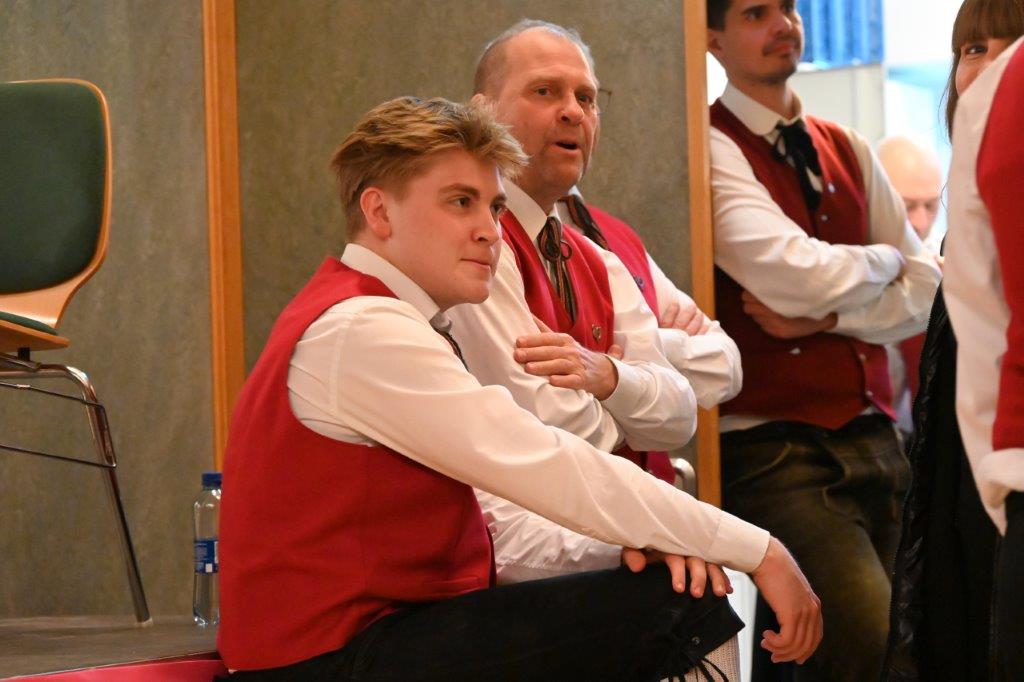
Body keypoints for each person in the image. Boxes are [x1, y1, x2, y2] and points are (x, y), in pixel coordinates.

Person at [217, 96, 822, 680]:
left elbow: (498, 524)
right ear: (379, 212)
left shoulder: (392, 320)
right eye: (461, 202)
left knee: (671, 582)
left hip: (375, 642)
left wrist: (631, 546)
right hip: (324, 659)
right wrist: (760, 549)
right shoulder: (363, 328)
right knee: (679, 611)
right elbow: (548, 463)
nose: (490, 231)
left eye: (496, 207)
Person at [447, 19, 744, 588]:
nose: (573, 112)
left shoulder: (598, 254)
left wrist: (606, 375)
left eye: (586, 97)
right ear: (482, 112)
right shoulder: (476, 244)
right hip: (533, 566)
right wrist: (634, 403)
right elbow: (548, 427)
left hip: (623, 542)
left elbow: (683, 412)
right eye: (544, 91)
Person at [705, 1, 942, 680]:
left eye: (788, 7)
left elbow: (932, 290)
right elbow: (792, 276)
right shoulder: (709, 146)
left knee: (927, 641)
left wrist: (831, 321)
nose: (784, 23)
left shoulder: (849, 146)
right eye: (756, 13)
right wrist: (886, 260)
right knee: (875, 652)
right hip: (774, 450)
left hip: (876, 437)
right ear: (712, 38)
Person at [885, 4, 1024, 680]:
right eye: (972, 49)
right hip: (970, 475)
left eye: (1009, 44)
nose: (989, 66)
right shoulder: (970, 198)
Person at [876, 135, 943, 436]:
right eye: (907, 206)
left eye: (931, 206)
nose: (921, 221)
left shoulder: (947, 267)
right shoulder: (839, 264)